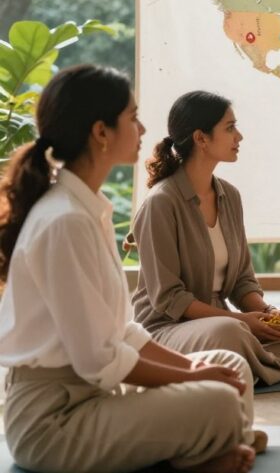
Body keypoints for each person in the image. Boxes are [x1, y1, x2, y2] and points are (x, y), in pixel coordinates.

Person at [0, 65, 260, 473]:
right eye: (132, 117)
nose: (142, 129)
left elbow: (122, 331)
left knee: (230, 367)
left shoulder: (89, 210)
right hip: (53, 422)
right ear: (101, 132)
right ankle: (209, 443)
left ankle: (210, 443)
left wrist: (195, 367)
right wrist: (192, 380)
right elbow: (100, 362)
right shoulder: (64, 220)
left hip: (97, 398)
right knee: (220, 399)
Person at [131, 91, 280, 385]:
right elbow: (169, 299)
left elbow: (241, 281)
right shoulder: (160, 203)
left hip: (226, 325)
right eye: (229, 128)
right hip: (170, 329)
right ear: (201, 138)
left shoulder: (230, 196)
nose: (238, 136)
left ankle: (259, 366)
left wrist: (267, 313)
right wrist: (242, 321)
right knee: (230, 333)